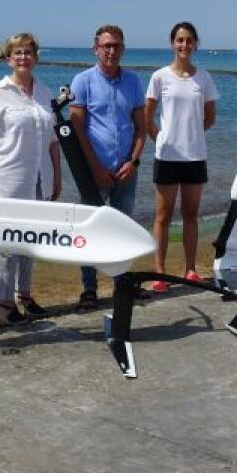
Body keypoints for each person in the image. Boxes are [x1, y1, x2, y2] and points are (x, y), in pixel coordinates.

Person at [0, 33, 62, 323]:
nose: (23, 57)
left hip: (38, 178)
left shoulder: (46, 94)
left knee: (30, 241)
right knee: (6, 244)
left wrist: (57, 176)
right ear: (9, 58)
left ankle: (25, 294)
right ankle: (5, 304)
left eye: (28, 52)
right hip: (3, 180)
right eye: (17, 52)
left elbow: (53, 141)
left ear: (36, 57)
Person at [69, 24, 146, 310]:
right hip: (94, 171)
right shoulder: (82, 81)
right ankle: (89, 289)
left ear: (123, 49)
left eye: (116, 46)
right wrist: (95, 168)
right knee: (89, 231)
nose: (111, 51)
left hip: (126, 170)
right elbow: (77, 130)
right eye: (106, 46)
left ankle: (123, 283)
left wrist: (134, 161)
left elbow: (141, 128)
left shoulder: (134, 82)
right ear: (96, 49)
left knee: (123, 228)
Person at [145, 21, 219, 293]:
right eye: (179, 40)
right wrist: (160, 137)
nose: (184, 45)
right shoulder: (160, 77)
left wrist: (192, 135)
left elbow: (210, 116)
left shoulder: (204, 78)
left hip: (195, 157)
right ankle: (159, 272)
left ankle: (190, 269)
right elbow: (148, 114)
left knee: (190, 214)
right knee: (162, 215)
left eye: (189, 40)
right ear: (172, 44)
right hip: (166, 156)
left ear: (195, 44)